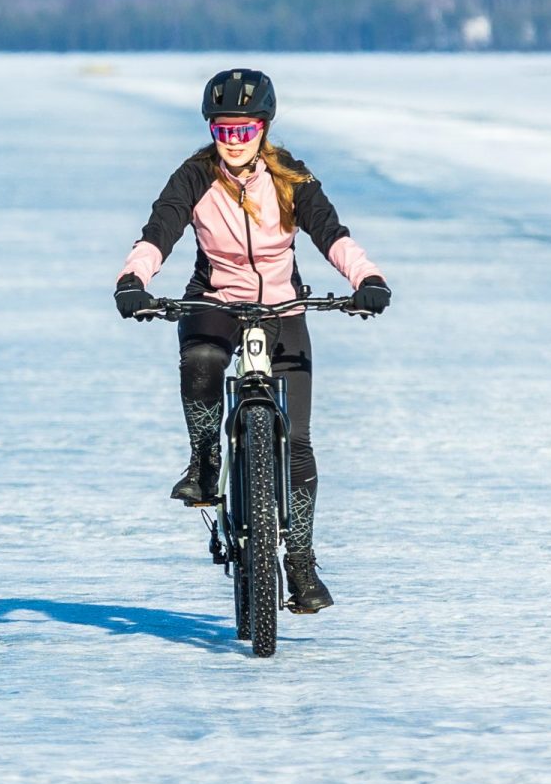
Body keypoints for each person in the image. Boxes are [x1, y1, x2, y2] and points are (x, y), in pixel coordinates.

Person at [113, 67, 390, 613]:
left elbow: (332, 234)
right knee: (200, 361)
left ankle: (302, 565)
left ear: (263, 128)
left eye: (243, 131)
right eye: (222, 131)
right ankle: (206, 461)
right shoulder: (194, 177)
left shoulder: (291, 177)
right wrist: (133, 279)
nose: (232, 143)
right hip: (214, 300)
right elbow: (159, 231)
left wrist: (366, 279)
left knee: (300, 443)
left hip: (282, 304)